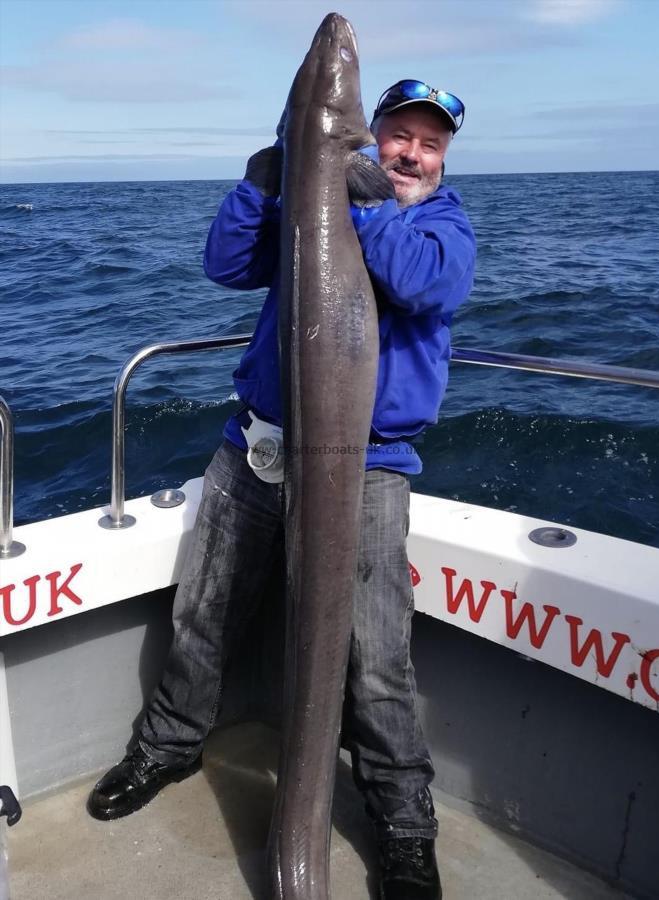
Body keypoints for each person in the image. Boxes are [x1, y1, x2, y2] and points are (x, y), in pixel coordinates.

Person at [87, 80, 476, 900]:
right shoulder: (308, 210)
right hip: (256, 448)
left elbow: (422, 285)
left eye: (427, 143)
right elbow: (225, 263)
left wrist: (357, 196)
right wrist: (273, 176)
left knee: (375, 656)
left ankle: (403, 821)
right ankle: (166, 746)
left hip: (367, 468)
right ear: (368, 134)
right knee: (204, 613)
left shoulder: (444, 225)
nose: (409, 152)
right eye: (396, 135)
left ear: (442, 159)